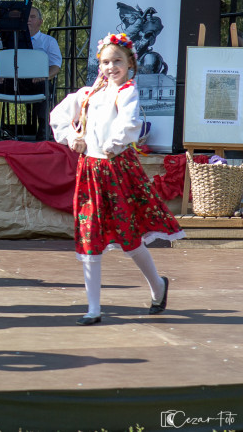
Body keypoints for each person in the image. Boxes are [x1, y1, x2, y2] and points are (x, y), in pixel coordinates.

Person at [49, 33, 184, 325]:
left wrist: (113, 143)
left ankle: (158, 285)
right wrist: (73, 137)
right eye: (106, 62)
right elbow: (58, 115)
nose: (111, 67)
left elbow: (129, 121)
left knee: (129, 238)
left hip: (117, 170)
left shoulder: (127, 92)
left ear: (130, 63)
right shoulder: (88, 94)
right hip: (89, 172)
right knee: (89, 236)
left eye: (117, 61)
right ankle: (94, 308)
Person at [0, 6, 63, 139]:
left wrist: (44, 76)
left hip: (35, 83)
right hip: (12, 82)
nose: (28, 20)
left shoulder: (48, 41)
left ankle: (43, 129)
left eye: (33, 17)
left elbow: (56, 65)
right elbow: (1, 61)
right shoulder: (11, 40)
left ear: (41, 22)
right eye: (26, 17)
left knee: (46, 87)